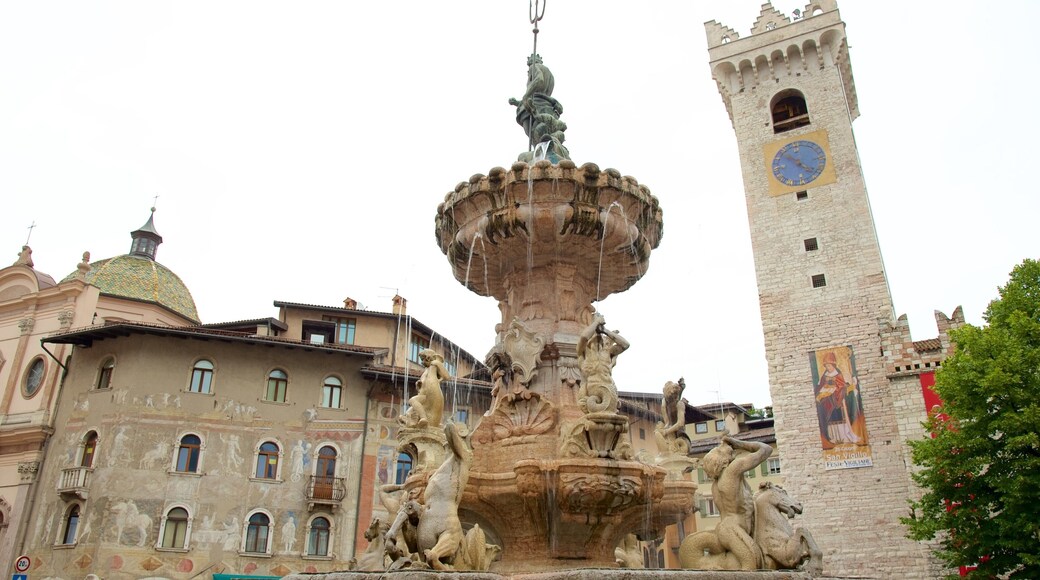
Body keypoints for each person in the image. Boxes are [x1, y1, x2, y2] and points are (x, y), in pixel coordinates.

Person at [701, 435, 773, 570]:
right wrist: (738, 443)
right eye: (720, 449)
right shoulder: (733, 469)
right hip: (732, 530)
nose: (725, 447)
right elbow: (766, 449)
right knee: (751, 565)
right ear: (720, 459)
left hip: (728, 529)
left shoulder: (715, 485)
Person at [576, 312, 629, 414]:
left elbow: (625, 345)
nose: (598, 336)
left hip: (610, 389)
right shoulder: (583, 353)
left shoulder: (608, 353)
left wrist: (605, 331)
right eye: (594, 335)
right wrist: (596, 323)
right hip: (592, 392)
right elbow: (583, 337)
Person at [814, 351, 861, 445]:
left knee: (840, 417)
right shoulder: (825, 375)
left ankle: (844, 436)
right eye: (826, 366)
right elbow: (820, 385)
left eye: (829, 366)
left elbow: (842, 386)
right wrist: (824, 390)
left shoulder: (838, 374)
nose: (828, 368)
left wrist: (835, 388)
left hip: (837, 401)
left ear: (833, 365)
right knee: (830, 419)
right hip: (828, 401)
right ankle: (833, 437)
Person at [399, 349, 449, 429]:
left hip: (432, 392)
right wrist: (418, 385)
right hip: (424, 393)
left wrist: (439, 380)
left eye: (423, 359)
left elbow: (447, 376)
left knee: (413, 400)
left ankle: (423, 418)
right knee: (408, 412)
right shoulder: (426, 370)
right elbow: (423, 382)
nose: (422, 362)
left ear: (428, 357)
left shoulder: (434, 364)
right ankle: (411, 421)